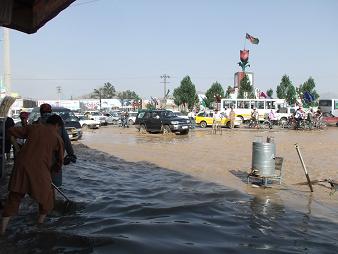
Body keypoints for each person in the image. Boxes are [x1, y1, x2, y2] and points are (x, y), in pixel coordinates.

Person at [1, 114, 65, 235]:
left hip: (20, 166)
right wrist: (54, 170)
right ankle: (39, 226)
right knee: (47, 198)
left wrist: (17, 148)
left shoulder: (34, 127)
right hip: (39, 170)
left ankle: (2, 231)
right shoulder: (57, 138)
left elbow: (11, 131)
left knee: (14, 198)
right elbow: (59, 161)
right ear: (57, 125)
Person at [35, 104, 76, 187]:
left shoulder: (36, 123)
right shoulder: (58, 123)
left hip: (39, 159)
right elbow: (66, 140)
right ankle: (53, 198)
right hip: (55, 159)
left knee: (41, 184)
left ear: (40, 112)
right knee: (55, 185)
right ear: (51, 111)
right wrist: (71, 154)